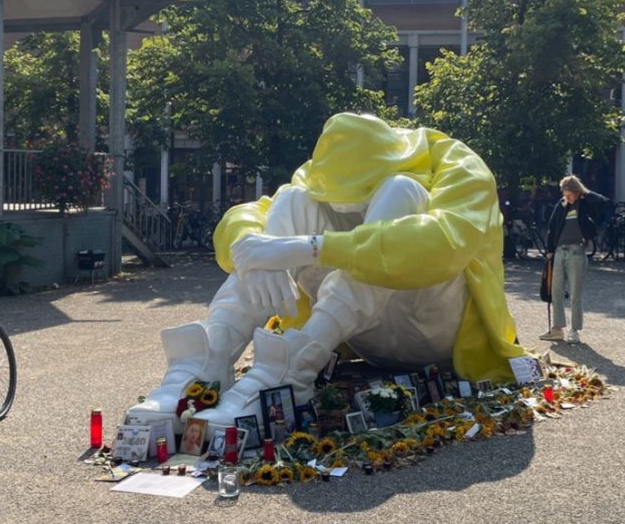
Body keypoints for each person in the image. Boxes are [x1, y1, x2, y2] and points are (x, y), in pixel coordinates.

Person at [131, 113, 527, 436]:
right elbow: (247, 217)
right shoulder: (327, 168)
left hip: (437, 333)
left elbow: (442, 245)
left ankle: (298, 365)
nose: (348, 208)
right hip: (364, 329)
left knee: (402, 193)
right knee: (291, 199)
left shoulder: (456, 164)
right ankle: (212, 356)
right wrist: (258, 250)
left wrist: (304, 248)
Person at [542, 175, 609, 343]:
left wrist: (584, 194)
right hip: (559, 251)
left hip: (577, 251)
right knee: (556, 291)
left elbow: (604, 203)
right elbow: (552, 227)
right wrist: (550, 250)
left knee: (575, 294)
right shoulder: (562, 204)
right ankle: (557, 328)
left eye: (570, 194)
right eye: (565, 194)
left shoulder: (585, 203)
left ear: (577, 191)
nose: (568, 198)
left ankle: (574, 330)